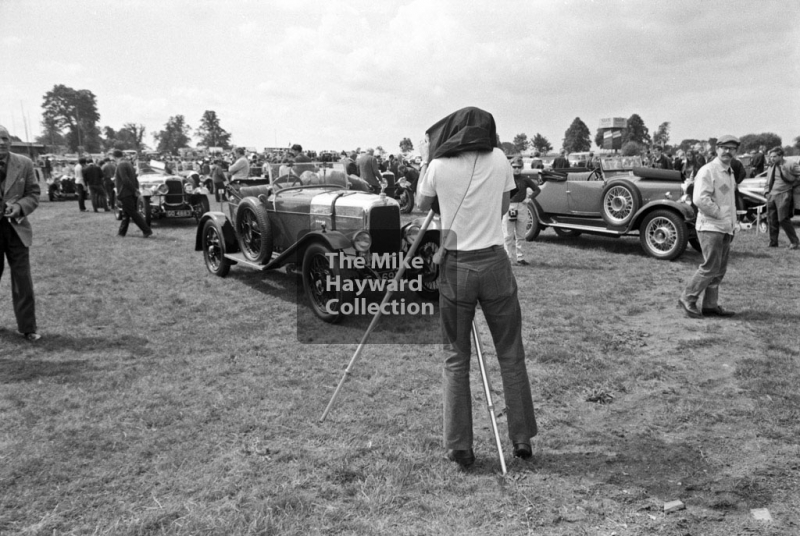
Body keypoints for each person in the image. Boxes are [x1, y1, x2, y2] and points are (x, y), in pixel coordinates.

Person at [415, 107, 538, 468]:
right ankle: (521, 438)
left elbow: (421, 204)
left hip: (457, 265)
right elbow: (503, 204)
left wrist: (425, 162)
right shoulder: (500, 158)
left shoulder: (438, 165)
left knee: (455, 359)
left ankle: (460, 446)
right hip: (494, 261)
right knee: (511, 354)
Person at [678, 135, 740, 319]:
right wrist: (719, 214)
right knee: (710, 267)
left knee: (719, 269)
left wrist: (732, 222)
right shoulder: (708, 170)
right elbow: (699, 199)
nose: (728, 152)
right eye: (725, 148)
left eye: (732, 148)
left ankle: (710, 305)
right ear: (717, 149)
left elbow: (730, 200)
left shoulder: (729, 171)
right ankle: (687, 298)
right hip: (710, 226)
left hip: (725, 227)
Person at [0, 125, 41, 341]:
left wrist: (20, 207)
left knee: (22, 280)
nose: (1, 142)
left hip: (16, 229)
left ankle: (27, 328)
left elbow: (33, 193)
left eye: (5, 138)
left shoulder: (24, 163)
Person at [503, 156, 540, 265]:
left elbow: (537, 189)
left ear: (522, 167)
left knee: (521, 235)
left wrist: (529, 198)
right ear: (511, 167)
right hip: (509, 207)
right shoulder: (506, 179)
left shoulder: (525, 179)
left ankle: (520, 258)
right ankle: (508, 257)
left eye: (519, 167)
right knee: (508, 235)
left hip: (522, 207)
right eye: (514, 167)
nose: (517, 169)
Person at [764, 146, 800, 249]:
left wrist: (794, 183)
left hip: (784, 194)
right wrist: (766, 192)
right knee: (771, 219)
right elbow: (768, 181)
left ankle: (794, 242)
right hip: (771, 195)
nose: (771, 158)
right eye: (770, 156)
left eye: (774, 156)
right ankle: (773, 243)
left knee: (783, 218)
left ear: (781, 156)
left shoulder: (790, 164)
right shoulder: (771, 166)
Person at [113, 149, 152, 238]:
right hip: (130, 192)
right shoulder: (128, 164)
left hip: (125, 193)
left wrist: (134, 190)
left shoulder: (120, 165)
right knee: (126, 213)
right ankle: (121, 233)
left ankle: (147, 230)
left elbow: (125, 180)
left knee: (133, 213)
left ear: (114, 157)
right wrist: (135, 190)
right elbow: (134, 179)